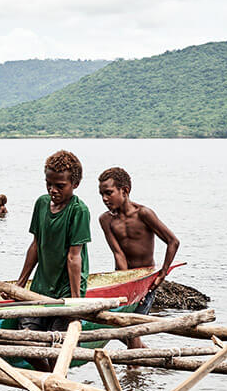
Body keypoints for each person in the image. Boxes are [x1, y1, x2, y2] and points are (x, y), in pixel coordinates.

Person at [15, 151, 91, 372]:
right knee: (24, 342)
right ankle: (53, 384)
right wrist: (20, 285)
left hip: (67, 290)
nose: (53, 190)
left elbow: (73, 257)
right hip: (40, 289)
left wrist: (76, 301)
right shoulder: (41, 204)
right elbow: (36, 246)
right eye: (49, 184)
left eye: (60, 186)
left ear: (75, 184)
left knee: (57, 348)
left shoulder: (79, 210)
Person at [96, 166, 181, 349]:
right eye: (102, 194)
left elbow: (173, 241)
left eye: (109, 193)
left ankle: (135, 369)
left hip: (146, 282)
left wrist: (163, 273)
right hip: (124, 281)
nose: (104, 199)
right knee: (121, 328)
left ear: (125, 191)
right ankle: (147, 361)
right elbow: (118, 254)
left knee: (132, 329)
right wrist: (127, 287)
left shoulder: (143, 214)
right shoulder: (106, 220)